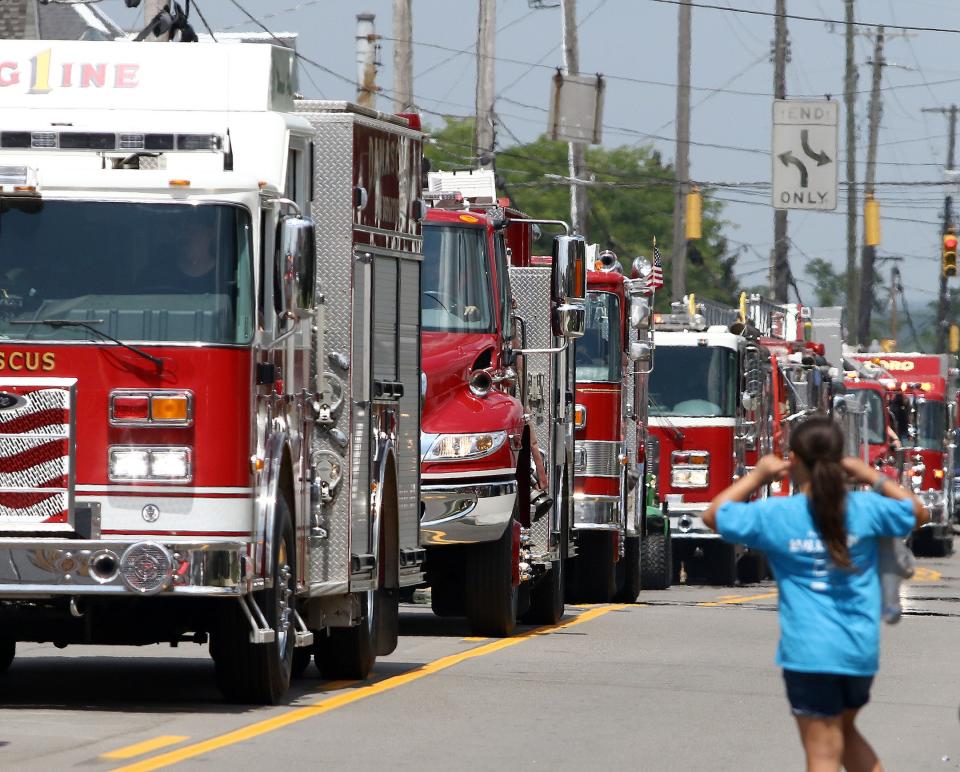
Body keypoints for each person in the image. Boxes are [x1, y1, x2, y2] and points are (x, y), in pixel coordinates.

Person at [701, 415, 926, 772]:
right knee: (846, 731)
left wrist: (759, 475)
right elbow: (918, 512)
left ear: (793, 459)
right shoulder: (865, 509)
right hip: (858, 651)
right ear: (841, 460)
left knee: (822, 755)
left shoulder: (778, 514)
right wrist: (871, 476)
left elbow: (714, 515)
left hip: (810, 654)